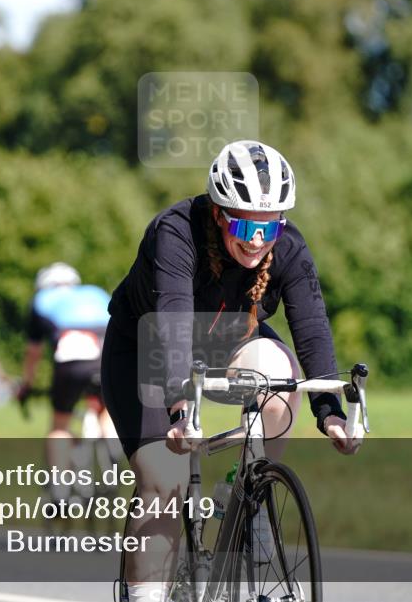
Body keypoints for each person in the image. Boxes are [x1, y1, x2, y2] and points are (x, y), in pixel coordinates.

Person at [101, 140, 362, 602]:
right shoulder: (176, 232)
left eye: (270, 227)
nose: (257, 239)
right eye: (244, 224)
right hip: (148, 348)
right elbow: (175, 320)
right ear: (220, 213)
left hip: (229, 345)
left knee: (279, 375)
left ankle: (247, 493)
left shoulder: (290, 250)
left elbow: (312, 327)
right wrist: (182, 409)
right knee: (165, 480)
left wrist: (330, 411)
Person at [18, 262, 118, 499]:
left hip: (71, 360)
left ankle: (60, 490)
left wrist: (26, 386)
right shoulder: (94, 293)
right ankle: (112, 446)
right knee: (107, 410)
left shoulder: (41, 300)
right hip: (106, 356)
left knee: (59, 426)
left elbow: (33, 353)